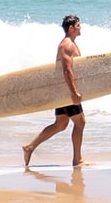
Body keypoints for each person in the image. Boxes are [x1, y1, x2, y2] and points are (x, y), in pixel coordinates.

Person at [22, 14, 88, 168]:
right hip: (66, 91)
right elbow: (67, 70)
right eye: (78, 25)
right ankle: (77, 160)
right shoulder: (67, 45)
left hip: (62, 90)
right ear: (71, 27)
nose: (80, 27)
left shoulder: (70, 44)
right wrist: (73, 93)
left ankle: (29, 147)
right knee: (80, 122)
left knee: (61, 124)